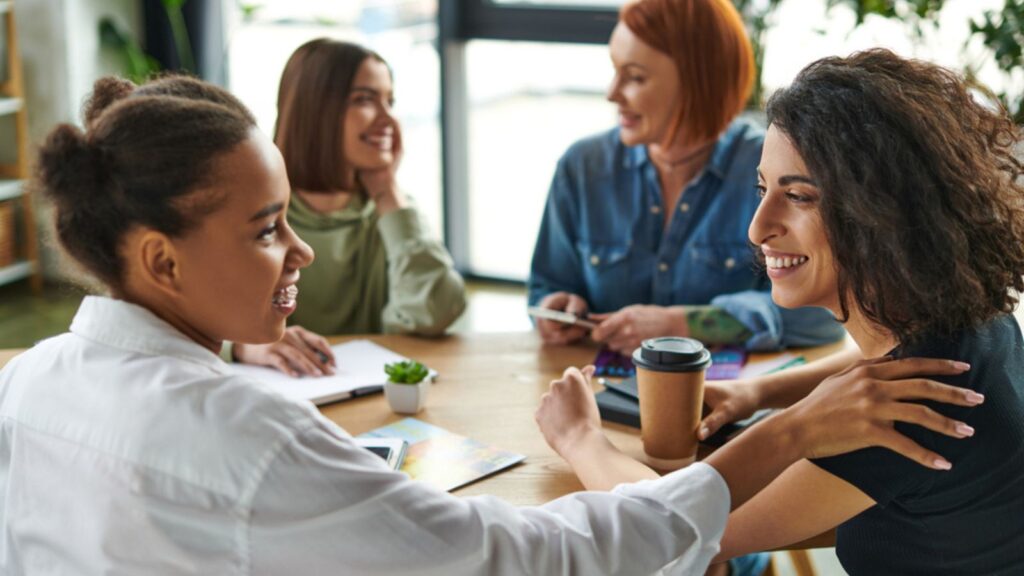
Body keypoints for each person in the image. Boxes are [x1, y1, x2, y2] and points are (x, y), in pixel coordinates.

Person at [0, 74, 981, 575]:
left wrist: (768, 397)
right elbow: (526, 561)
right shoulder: (244, 437)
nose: (296, 251)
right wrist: (785, 424)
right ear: (161, 260)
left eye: (792, 196)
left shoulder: (30, 381)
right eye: (266, 230)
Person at [538, 49, 1024, 574]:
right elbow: (890, 367)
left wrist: (578, 437)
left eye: (798, 196)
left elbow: (673, 533)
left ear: (881, 213)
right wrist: (760, 391)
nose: (757, 227)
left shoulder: (903, 421)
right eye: (763, 189)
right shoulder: (976, 321)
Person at [528, 0, 843, 355]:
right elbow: (546, 285)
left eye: (635, 77)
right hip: (598, 387)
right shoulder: (582, 166)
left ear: (697, 80)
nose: (612, 93)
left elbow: (820, 318)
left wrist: (683, 323)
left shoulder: (774, 171)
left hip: (733, 398)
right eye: (615, 71)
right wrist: (556, 307)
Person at [232, 38, 467, 376]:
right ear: (315, 110)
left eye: (390, 101)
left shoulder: (393, 212)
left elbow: (433, 314)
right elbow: (190, 315)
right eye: (365, 100)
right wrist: (242, 344)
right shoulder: (248, 211)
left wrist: (387, 191)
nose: (388, 119)